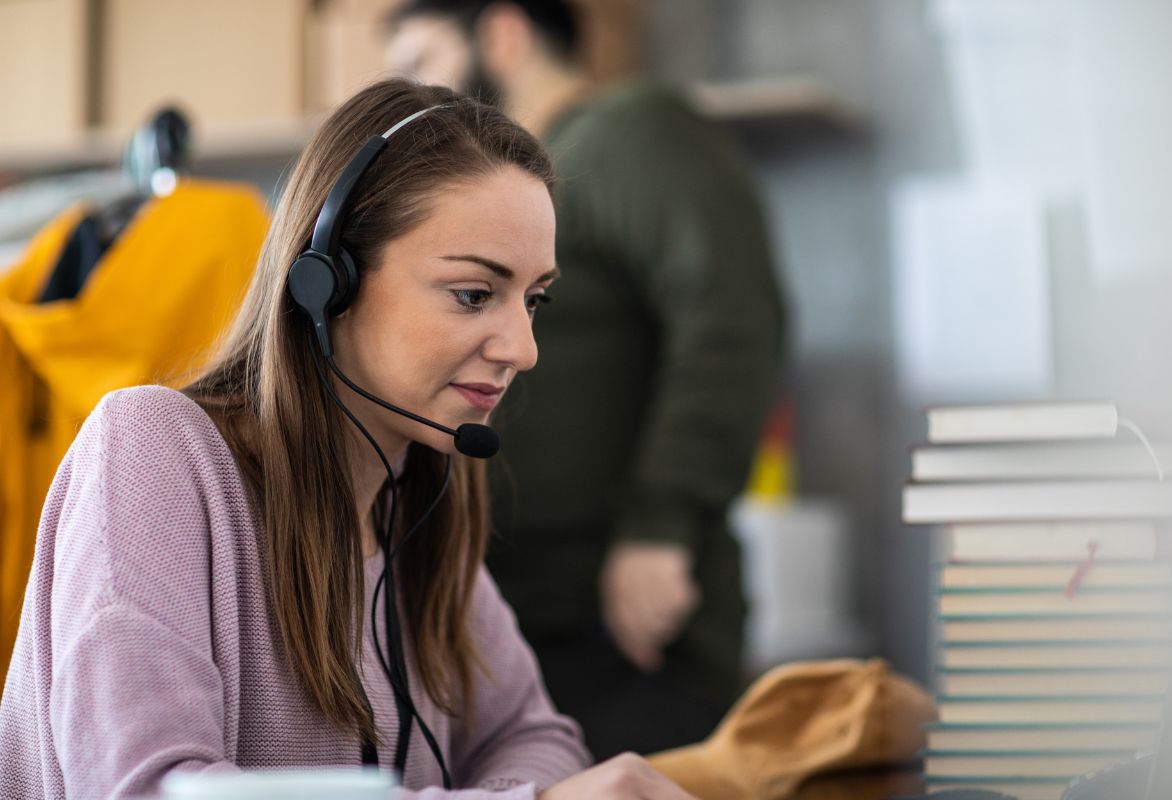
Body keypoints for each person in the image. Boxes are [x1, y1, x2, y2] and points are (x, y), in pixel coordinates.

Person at [0, 79, 699, 800]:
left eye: (534, 300)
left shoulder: (419, 501)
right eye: (473, 294)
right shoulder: (155, 452)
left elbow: (533, 735)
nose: (523, 349)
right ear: (326, 281)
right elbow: (145, 790)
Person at [385, 0, 786, 759]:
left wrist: (658, 530)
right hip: (511, 633)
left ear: (502, 36)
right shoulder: (500, 200)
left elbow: (730, 319)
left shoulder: (631, 133)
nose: (411, 103)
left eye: (421, 64)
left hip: (623, 632)